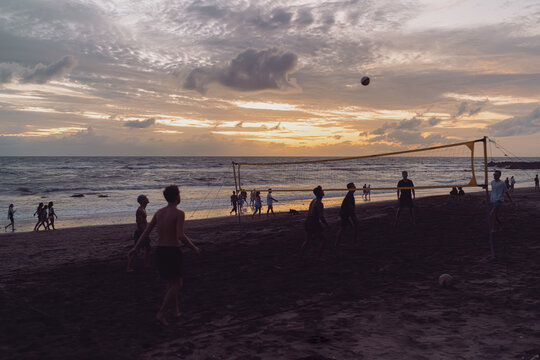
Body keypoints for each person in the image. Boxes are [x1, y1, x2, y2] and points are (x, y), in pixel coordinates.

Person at [128, 185, 200, 326]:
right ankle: (161, 313)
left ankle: (176, 311)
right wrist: (194, 247)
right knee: (178, 284)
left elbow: (146, 232)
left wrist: (135, 248)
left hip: (160, 251)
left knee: (170, 283)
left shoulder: (159, 213)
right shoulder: (179, 213)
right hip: (172, 251)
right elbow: (180, 235)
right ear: (177, 196)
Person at [300, 186, 329, 258]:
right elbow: (321, 217)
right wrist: (326, 225)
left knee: (308, 240)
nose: (323, 191)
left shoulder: (313, 200)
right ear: (320, 193)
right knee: (324, 240)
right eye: (322, 190)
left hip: (308, 221)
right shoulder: (319, 203)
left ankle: (301, 256)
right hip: (313, 222)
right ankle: (318, 257)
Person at [127, 195, 151, 272]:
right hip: (140, 233)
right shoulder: (140, 210)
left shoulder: (143, 209)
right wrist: (144, 233)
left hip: (144, 232)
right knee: (136, 250)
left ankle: (146, 264)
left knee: (148, 248)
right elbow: (139, 223)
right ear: (142, 201)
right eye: (145, 198)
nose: (147, 199)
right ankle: (129, 267)